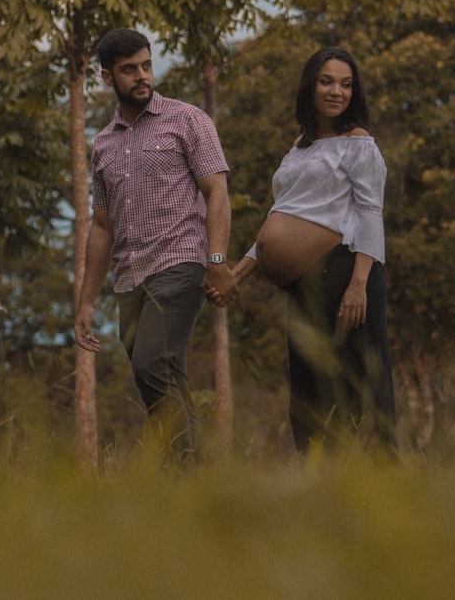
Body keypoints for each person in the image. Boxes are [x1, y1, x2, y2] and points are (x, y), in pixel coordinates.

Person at [219, 46, 396, 454]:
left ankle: (385, 480)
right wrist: (237, 272)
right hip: (304, 285)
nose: (337, 91)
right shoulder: (301, 146)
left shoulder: (359, 143)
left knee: (359, 382)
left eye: (346, 84)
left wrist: (359, 284)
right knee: (308, 390)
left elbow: (371, 211)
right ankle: (317, 481)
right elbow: (281, 216)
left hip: (345, 271)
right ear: (311, 85)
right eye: (327, 81)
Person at [74, 28, 236, 466]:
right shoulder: (103, 144)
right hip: (129, 279)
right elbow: (102, 225)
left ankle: (185, 478)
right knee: (160, 378)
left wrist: (217, 260)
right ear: (108, 78)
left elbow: (216, 193)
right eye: (129, 70)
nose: (142, 76)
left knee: (150, 364)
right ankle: (197, 477)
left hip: (179, 262)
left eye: (146, 65)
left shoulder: (188, 120)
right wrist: (86, 300)